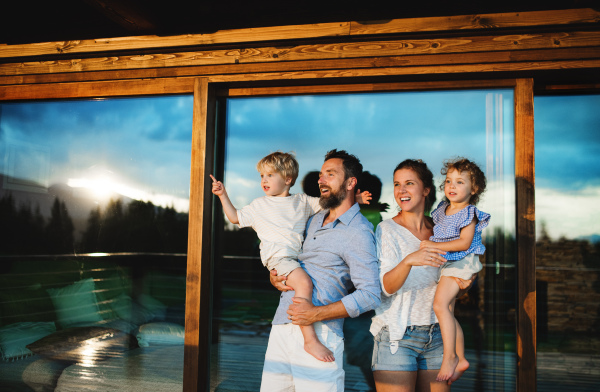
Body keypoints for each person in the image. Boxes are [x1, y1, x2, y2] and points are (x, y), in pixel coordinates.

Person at [210, 151, 371, 363]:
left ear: (288, 179)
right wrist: (222, 195)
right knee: (304, 283)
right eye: (262, 176)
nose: (264, 180)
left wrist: (355, 198)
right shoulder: (259, 205)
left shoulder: (302, 202)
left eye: (270, 175)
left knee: (301, 282)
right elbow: (234, 217)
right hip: (278, 258)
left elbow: (329, 203)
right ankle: (310, 338)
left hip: (292, 261)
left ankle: (306, 329)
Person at [265, 149, 381, 392]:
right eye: (321, 174)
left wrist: (315, 314)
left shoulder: (358, 231)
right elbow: (287, 253)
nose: (321, 180)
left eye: (330, 174)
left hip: (321, 333)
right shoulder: (313, 220)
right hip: (282, 325)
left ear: (351, 183)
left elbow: (370, 294)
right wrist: (275, 275)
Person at [370, 159, 474, 392]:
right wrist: (408, 261)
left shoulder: (443, 231)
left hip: (439, 337)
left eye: (409, 183)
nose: (401, 191)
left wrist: (465, 279)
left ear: (426, 189)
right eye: (397, 184)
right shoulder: (387, 229)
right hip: (398, 335)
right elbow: (385, 287)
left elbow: (454, 273)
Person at [419, 157, 489, 382]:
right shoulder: (442, 209)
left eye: (460, 182)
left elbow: (464, 243)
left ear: (474, 188)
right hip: (448, 263)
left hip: (461, 261)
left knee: (439, 305)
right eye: (449, 181)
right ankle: (461, 357)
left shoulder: (469, 213)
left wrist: (434, 245)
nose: (452, 186)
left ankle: (449, 357)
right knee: (446, 310)